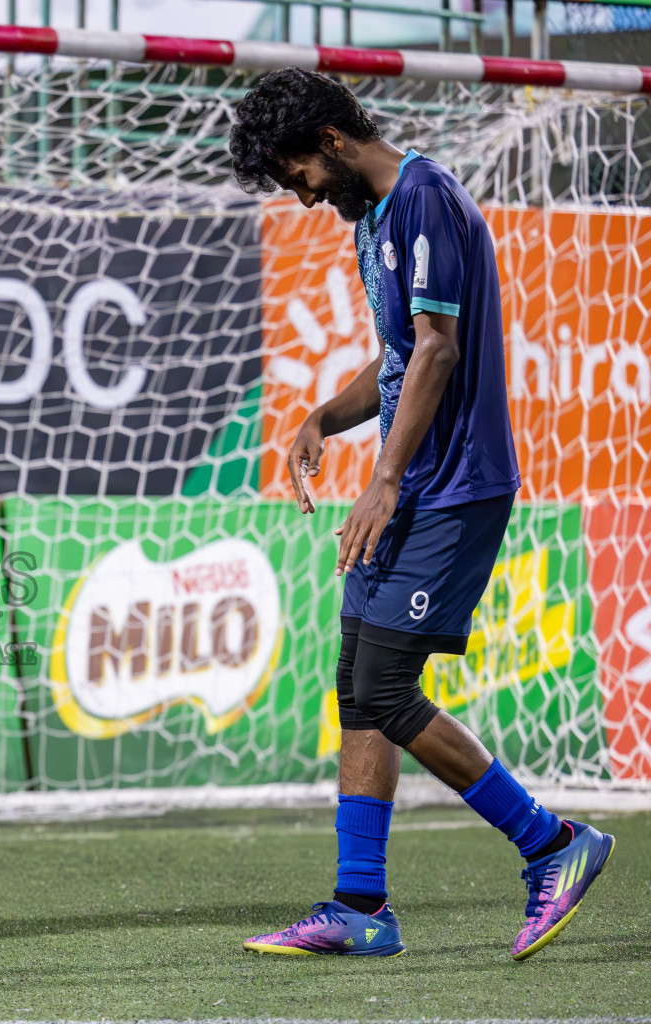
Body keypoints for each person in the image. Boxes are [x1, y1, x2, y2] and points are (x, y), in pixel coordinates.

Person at [227, 69, 614, 960]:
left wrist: (385, 480)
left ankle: (554, 845)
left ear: (328, 139)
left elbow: (438, 351)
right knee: (357, 682)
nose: (303, 198)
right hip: (415, 482)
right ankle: (361, 905)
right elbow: (401, 356)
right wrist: (325, 415)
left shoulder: (426, 198)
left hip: (453, 486)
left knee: (387, 689)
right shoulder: (374, 218)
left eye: (298, 177)